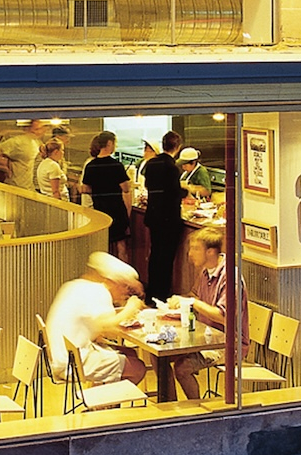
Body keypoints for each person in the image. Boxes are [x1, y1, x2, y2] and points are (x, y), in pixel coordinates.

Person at [45, 252, 148, 388]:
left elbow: (99, 328)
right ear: (112, 282)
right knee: (138, 369)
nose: (125, 294)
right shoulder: (99, 292)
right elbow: (107, 328)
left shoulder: (75, 286)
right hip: (71, 362)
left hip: (59, 357)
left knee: (130, 353)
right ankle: (99, 405)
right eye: (125, 287)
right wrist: (130, 308)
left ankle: (100, 402)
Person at [171, 227, 250, 399]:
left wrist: (193, 303)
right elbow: (195, 297)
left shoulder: (230, 277)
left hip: (228, 344)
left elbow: (224, 317)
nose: (190, 254)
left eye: (195, 249)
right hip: (205, 337)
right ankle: (168, 406)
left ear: (211, 252)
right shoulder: (205, 272)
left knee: (182, 368)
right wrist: (177, 304)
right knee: (160, 356)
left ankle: (198, 410)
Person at [141, 131, 185, 300]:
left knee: (155, 254)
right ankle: (162, 294)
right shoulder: (172, 167)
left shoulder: (151, 163)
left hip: (153, 215)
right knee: (166, 258)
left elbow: (148, 185)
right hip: (169, 218)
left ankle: (151, 291)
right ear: (177, 147)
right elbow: (175, 192)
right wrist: (187, 191)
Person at [78, 131, 133, 259]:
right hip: (116, 210)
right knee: (120, 243)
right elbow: (126, 188)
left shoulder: (91, 166)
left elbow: (85, 188)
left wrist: (99, 189)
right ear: (109, 144)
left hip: (100, 210)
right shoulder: (116, 165)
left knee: (102, 244)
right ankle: (121, 273)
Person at [0, 119, 47, 189]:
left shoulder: (38, 143)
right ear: (29, 129)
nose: (40, 131)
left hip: (30, 187)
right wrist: (6, 168)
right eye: (37, 129)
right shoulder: (18, 141)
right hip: (16, 186)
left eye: (41, 128)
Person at [35, 137, 68, 201]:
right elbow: (55, 191)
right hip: (56, 202)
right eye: (62, 150)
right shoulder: (53, 166)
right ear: (56, 152)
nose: (63, 153)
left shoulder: (43, 163)